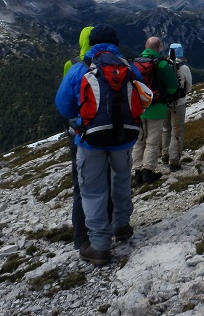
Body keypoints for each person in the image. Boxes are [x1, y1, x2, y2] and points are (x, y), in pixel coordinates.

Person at [55, 24, 139, 266]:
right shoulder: (129, 66)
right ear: (116, 43)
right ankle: (122, 226)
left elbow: (64, 107)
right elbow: (143, 95)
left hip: (90, 141)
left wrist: (85, 117)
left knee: (92, 191)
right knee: (121, 182)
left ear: (91, 43)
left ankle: (100, 245)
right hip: (123, 139)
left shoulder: (79, 69)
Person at [61, 25, 93, 251]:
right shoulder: (118, 63)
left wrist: (78, 121)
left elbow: (65, 104)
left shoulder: (71, 65)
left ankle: (81, 238)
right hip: (113, 132)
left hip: (80, 133)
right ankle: (107, 228)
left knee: (81, 187)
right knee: (109, 180)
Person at [131, 36, 179, 186]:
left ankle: (137, 172)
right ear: (159, 48)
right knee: (152, 142)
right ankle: (148, 173)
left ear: (146, 47)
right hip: (157, 108)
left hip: (137, 109)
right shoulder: (163, 65)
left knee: (138, 141)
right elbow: (173, 87)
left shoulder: (134, 63)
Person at [162, 43, 192, 172]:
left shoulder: (162, 65)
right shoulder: (184, 68)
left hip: (163, 102)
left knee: (166, 129)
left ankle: (165, 154)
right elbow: (189, 86)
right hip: (178, 103)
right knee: (177, 132)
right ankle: (174, 160)